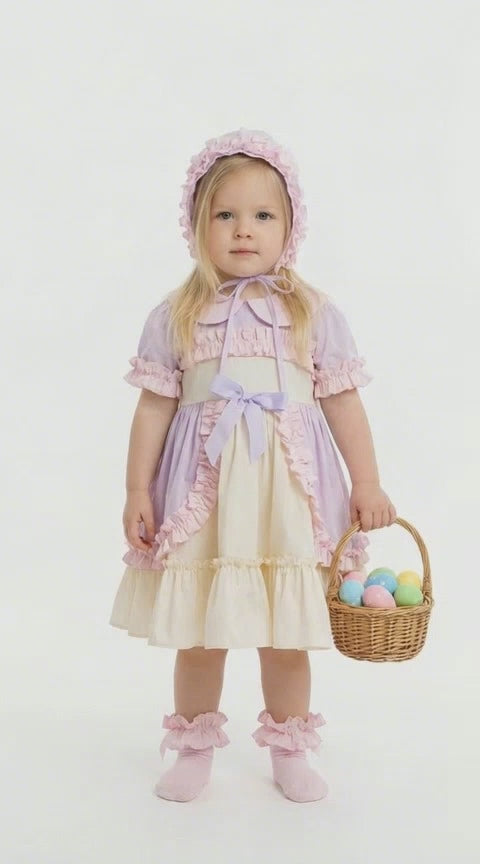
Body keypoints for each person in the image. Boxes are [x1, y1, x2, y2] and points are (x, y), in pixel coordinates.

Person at [109, 127, 397, 804]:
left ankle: (290, 745)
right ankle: (194, 745)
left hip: (286, 497)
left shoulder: (310, 312)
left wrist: (369, 482)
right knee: (202, 634)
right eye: (225, 214)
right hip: (204, 496)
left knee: (284, 634)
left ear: (289, 228)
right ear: (196, 226)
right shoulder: (177, 313)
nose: (245, 230)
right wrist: (135, 489)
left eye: (263, 215)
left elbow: (343, 403)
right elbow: (154, 408)